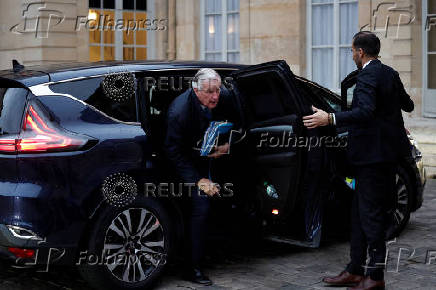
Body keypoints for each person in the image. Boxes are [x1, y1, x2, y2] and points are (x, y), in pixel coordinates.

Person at [302, 31, 414, 290]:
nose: (352, 55)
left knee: (371, 216)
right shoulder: (390, 73)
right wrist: (391, 124)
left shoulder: (365, 76)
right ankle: (355, 269)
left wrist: (329, 119)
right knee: (359, 214)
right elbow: (406, 105)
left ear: (360, 52)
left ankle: (375, 277)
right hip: (388, 157)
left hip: (371, 160)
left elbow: (364, 111)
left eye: (352, 51)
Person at [164, 68, 230, 286]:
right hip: (181, 167)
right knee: (200, 206)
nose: (215, 96)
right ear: (195, 89)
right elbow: (173, 152)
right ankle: (191, 267)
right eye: (210, 92)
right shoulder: (179, 112)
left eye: (218, 90)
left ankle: (215, 250)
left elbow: (237, 122)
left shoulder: (223, 97)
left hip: (209, 159)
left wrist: (226, 146)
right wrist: (198, 181)